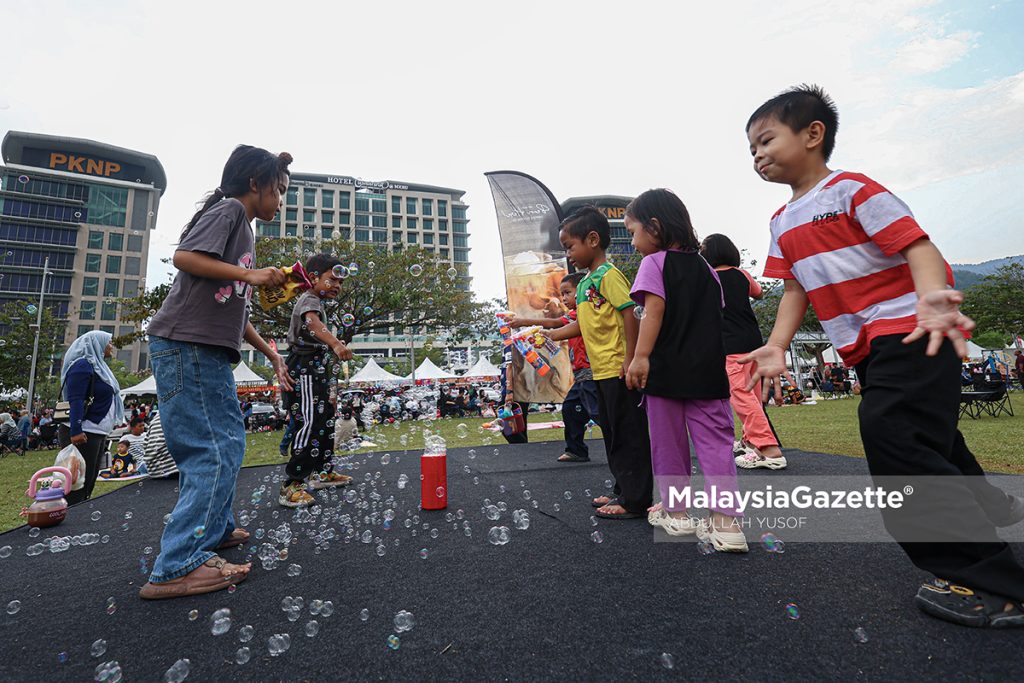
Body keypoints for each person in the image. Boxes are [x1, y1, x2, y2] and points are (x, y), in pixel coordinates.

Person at [743, 84, 1024, 626]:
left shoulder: (852, 191)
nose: (757, 155)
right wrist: (776, 345)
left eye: (766, 140)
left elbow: (916, 245)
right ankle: (986, 501)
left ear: (813, 134)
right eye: (751, 149)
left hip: (912, 330)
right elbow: (796, 289)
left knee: (892, 435)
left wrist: (931, 298)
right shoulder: (780, 222)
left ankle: (993, 584)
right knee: (926, 435)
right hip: (866, 350)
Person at [139, 145, 294, 599]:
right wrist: (252, 276)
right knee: (210, 449)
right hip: (186, 346)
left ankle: (215, 527)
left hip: (205, 350)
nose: (280, 201)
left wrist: (271, 354)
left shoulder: (243, 230)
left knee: (229, 441)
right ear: (255, 184)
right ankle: (177, 564)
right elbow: (185, 257)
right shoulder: (230, 211)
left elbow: (234, 310)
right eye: (278, 190)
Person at [621, 190, 747, 550]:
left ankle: (676, 514)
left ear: (655, 227)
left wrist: (640, 356)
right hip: (708, 373)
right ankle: (727, 524)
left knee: (668, 445)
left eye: (633, 232)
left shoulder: (654, 263)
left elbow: (653, 312)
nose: (633, 242)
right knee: (717, 446)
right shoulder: (708, 270)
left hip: (665, 373)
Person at [540, 207, 653, 519]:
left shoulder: (608, 275)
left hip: (618, 368)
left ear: (592, 240)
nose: (568, 255)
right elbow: (582, 325)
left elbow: (630, 312)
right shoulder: (585, 283)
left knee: (628, 435)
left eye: (570, 247)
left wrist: (631, 358)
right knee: (613, 434)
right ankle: (623, 489)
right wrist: (550, 334)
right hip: (600, 370)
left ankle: (635, 500)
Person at [700, 233, 786, 469]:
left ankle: (769, 449)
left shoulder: (707, 277)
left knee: (741, 395)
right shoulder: (742, 274)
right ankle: (750, 441)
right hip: (753, 341)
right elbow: (758, 293)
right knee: (754, 396)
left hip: (730, 344)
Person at [279, 253, 354, 508]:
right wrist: (335, 344)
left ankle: (322, 472)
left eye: (341, 282)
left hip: (316, 365)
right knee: (310, 421)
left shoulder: (318, 302)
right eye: (332, 279)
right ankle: (292, 483)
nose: (337, 286)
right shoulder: (309, 299)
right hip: (304, 366)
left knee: (325, 419)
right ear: (313, 278)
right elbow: (312, 323)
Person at [510, 271, 600, 463]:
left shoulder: (584, 312)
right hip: (581, 374)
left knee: (599, 413)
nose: (564, 298)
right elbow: (556, 325)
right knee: (570, 409)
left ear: (582, 291)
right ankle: (576, 450)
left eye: (568, 293)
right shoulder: (576, 314)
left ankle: (626, 445)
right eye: (562, 294)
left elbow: (555, 323)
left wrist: (525, 322)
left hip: (592, 372)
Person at [59, 331, 123, 503]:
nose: (111, 346)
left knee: (89, 479)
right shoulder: (82, 365)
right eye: (108, 342)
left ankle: (79, 512)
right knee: (77, 481)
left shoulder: (99, 367)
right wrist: (76, 430)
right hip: (84, 432)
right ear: (97, 344)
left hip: (97, 432)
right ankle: (71, 513)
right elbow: (76, 399)